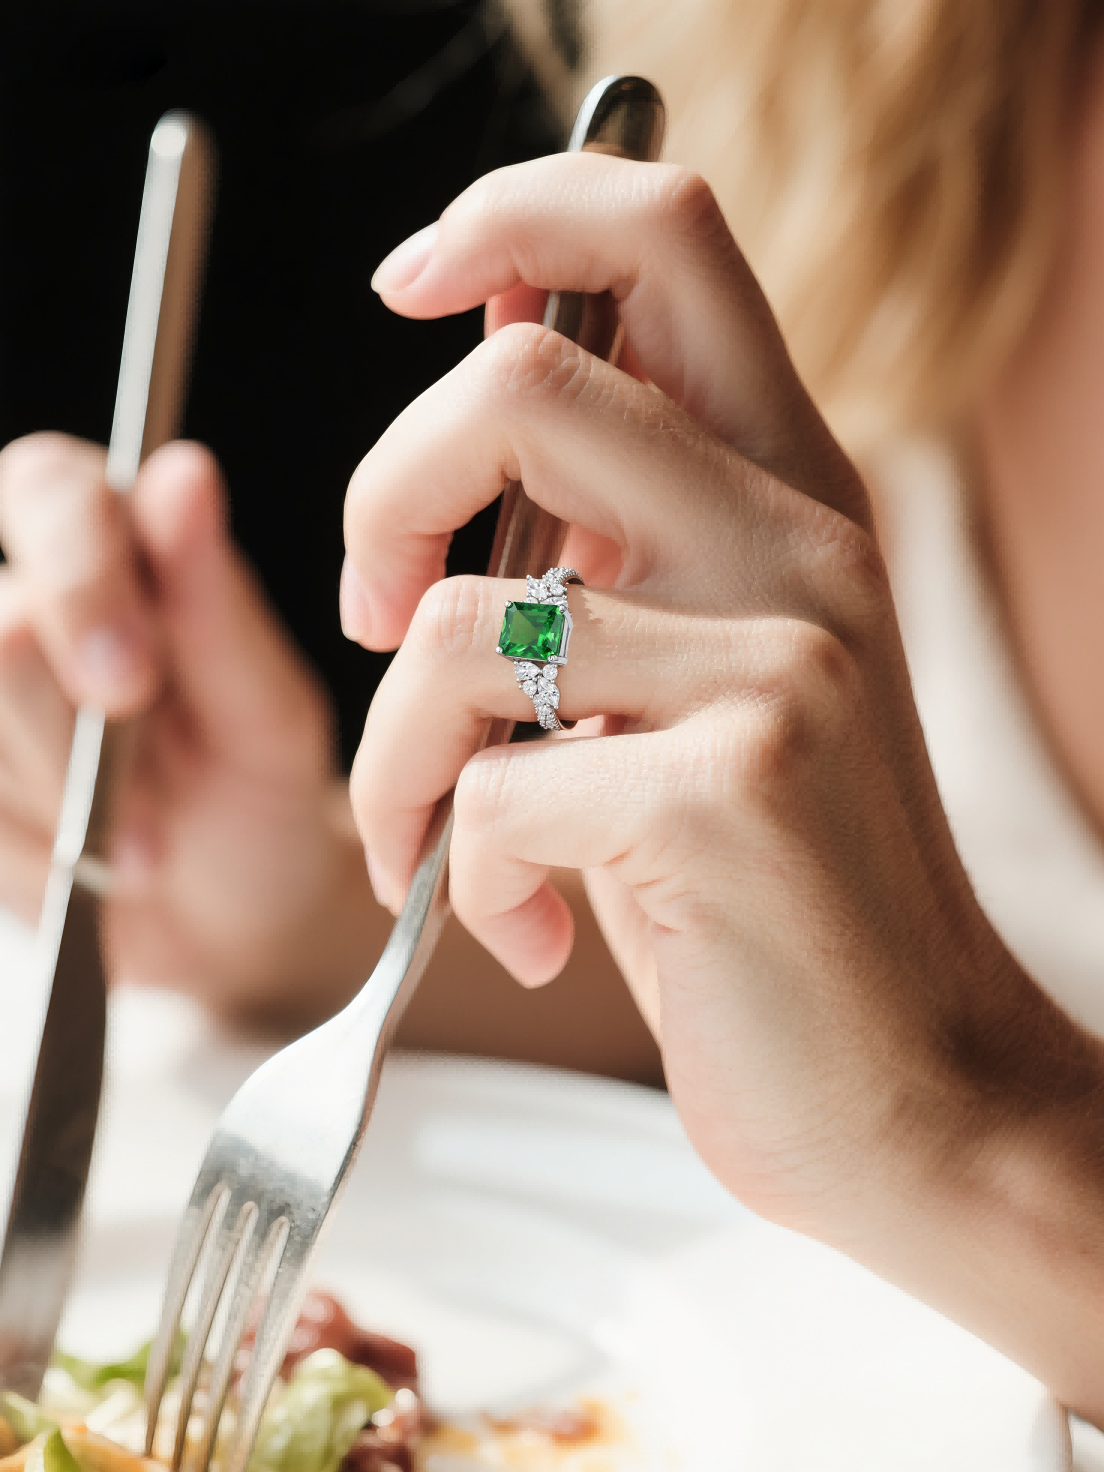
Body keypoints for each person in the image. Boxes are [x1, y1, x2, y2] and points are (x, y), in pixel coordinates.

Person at [5, 0, 1104, 1426]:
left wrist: (982, 1130)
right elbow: (802, 946)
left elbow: (925, 1039)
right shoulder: (882, 55)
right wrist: (307, 912)